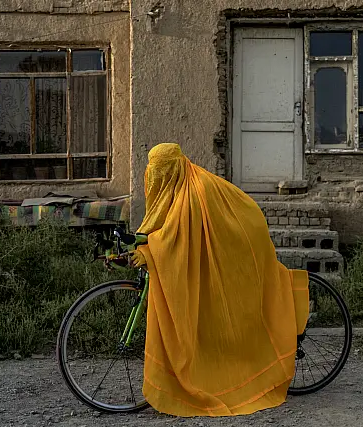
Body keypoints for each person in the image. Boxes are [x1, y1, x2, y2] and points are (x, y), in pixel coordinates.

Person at [129, 143, 309, 417]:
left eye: (160, 171)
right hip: (231, 233)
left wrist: (148, 251)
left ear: (173, 168)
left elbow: (174, 239)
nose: (155, 177)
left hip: (239, 240)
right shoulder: (181, 183)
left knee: (233, 305)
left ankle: (248, 365)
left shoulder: (192, 193)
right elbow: (165, 225)